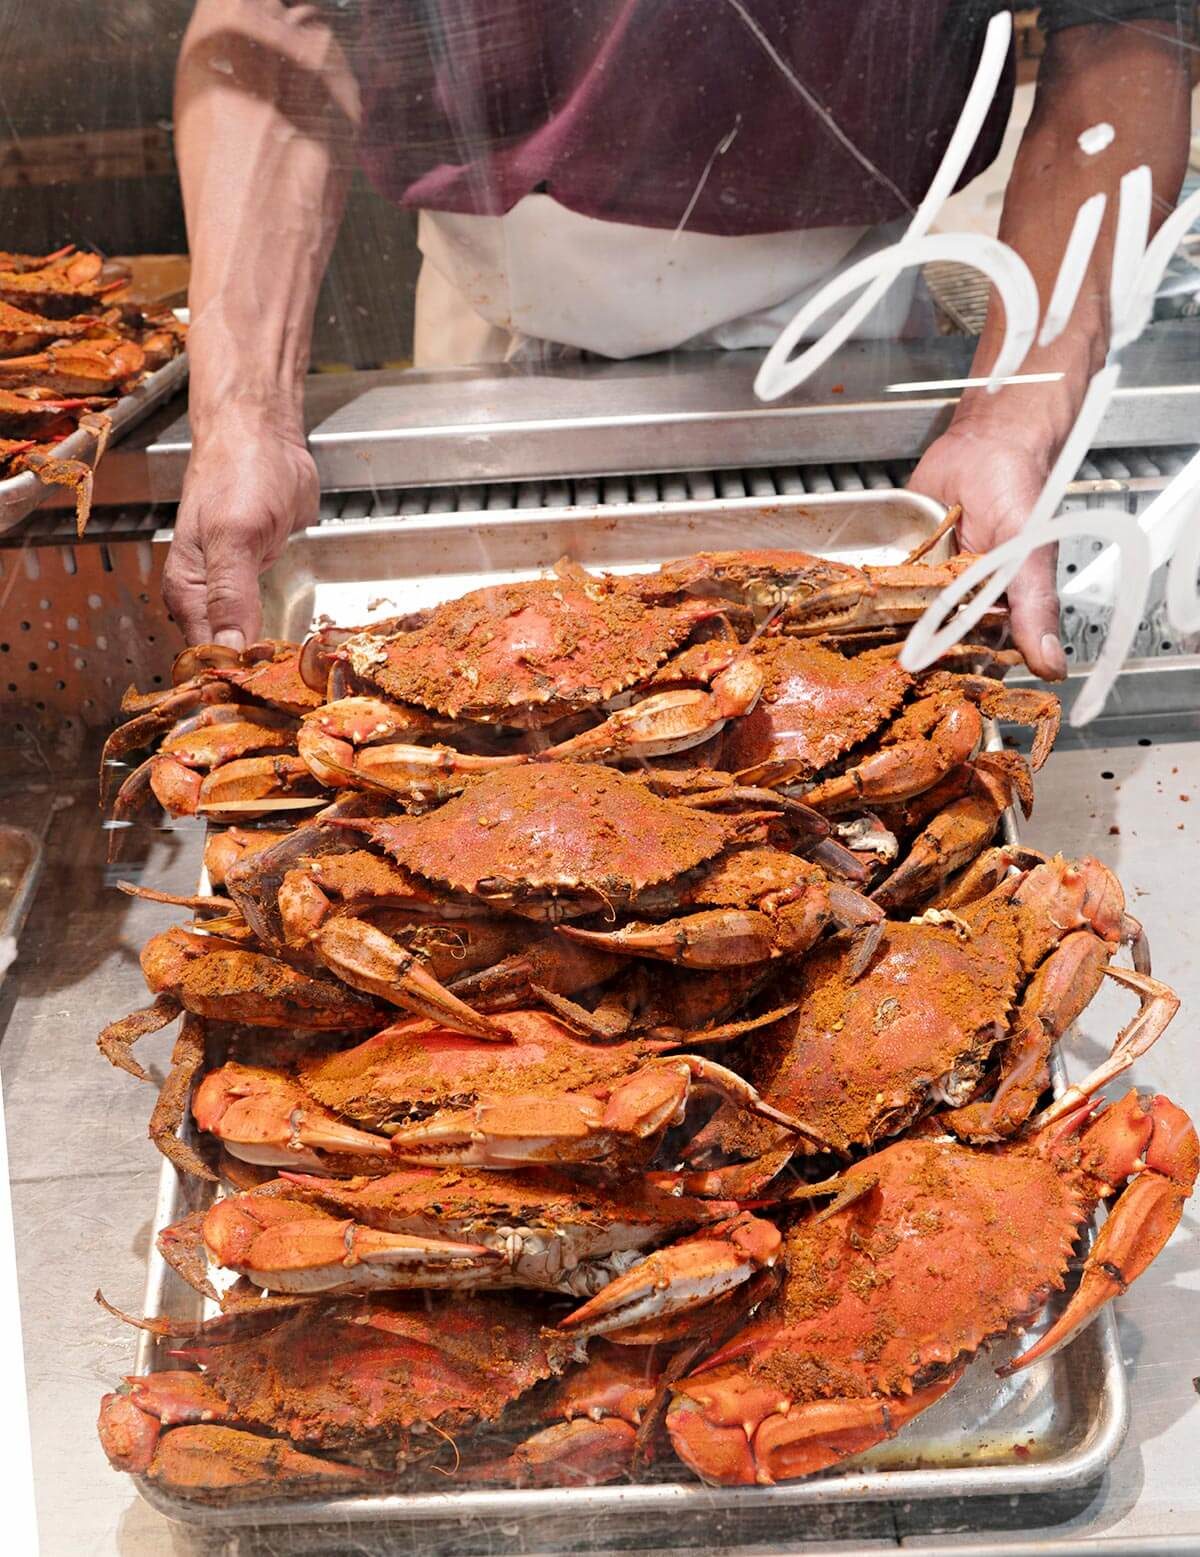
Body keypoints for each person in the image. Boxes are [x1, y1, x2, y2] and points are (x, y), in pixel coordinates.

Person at [164, 0, 1194, 680]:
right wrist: (242, 415)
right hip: (490, 312)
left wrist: (1013, 414)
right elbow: (277, 22)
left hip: (840, 313)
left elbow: (1122, 28)